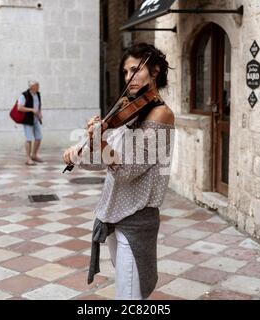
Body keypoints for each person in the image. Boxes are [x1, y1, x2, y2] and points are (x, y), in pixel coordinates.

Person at [63, 43, 175, 300]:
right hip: (114, 217)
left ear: (155, 70)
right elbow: (101, 161)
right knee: (126, 291)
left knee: (128, 297)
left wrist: (100, 140)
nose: (129, 78)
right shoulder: (131, 114)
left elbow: (126, 170)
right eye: (126, 72)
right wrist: (80, 150)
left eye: (136, 70)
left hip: (136, 220)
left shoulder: (161, 115)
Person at [17, 80, 43, 166]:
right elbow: (19, 108)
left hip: (36, 119)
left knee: (38, 138)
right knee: (29, 139)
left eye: (38, 85)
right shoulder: (24, 95)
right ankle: (28, 158)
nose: (38, 87)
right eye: (37, 85)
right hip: (27, 120)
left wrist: (39, 113)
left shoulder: (38, 94)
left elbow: (38, 105)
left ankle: (34, 155)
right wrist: (31, 110)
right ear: (31, 87)